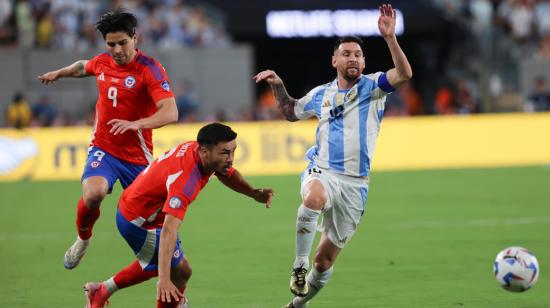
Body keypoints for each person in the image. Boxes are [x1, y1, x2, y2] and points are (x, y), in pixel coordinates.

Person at [254, 4, 412, 307]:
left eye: (357, 54)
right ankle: (299, 264)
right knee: (313, 199)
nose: (353, 58)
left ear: (364, 61)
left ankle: (297, 304)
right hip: (323, 170)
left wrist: (390, 38)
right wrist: (278, 86)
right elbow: (290, 112)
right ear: (334, 60)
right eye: (347, 53)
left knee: (324, 262)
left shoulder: (375, 87)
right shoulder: (320, 94)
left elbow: (404, 73)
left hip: (356, 185)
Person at [37, 9, 178, 270]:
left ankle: (173, 279)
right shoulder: (103, 62)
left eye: (122, 43)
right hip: (104, 147)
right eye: (111, 44)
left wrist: (136, 124)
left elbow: (170, 112)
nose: (117, 50)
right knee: (94, 194)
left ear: (135, 38)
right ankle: (83, 239)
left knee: (156, 220)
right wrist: (60, 73)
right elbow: (83, 66)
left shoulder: (150, 69)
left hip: (138, 157)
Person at [83, 123, 274, 308]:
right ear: (205, 152)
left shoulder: (199, 151)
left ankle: (101, 291)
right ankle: (101, 291)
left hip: (147, 210)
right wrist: (164, 279)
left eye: (233, 151)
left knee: (176, 269)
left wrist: (252, 193)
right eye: (225, 153)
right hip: (138, 221)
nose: (231, 158)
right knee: (179, 273)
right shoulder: (185, 182)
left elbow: (227, 173)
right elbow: (169, 229)